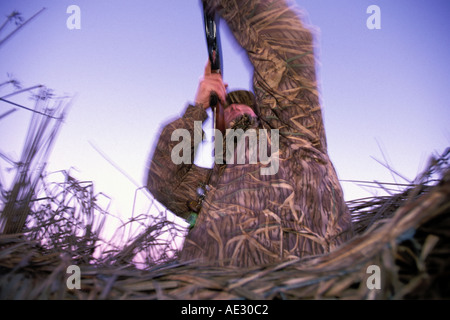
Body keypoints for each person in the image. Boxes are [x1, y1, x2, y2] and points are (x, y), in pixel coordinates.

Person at [146, 0, 353, 267]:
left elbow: (285, 51)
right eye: (227, 106)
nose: (233, 108)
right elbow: (162, 181)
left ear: (260, 111)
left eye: (242, 103)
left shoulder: (293, 131)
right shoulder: (210, 185)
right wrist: (197, 110)